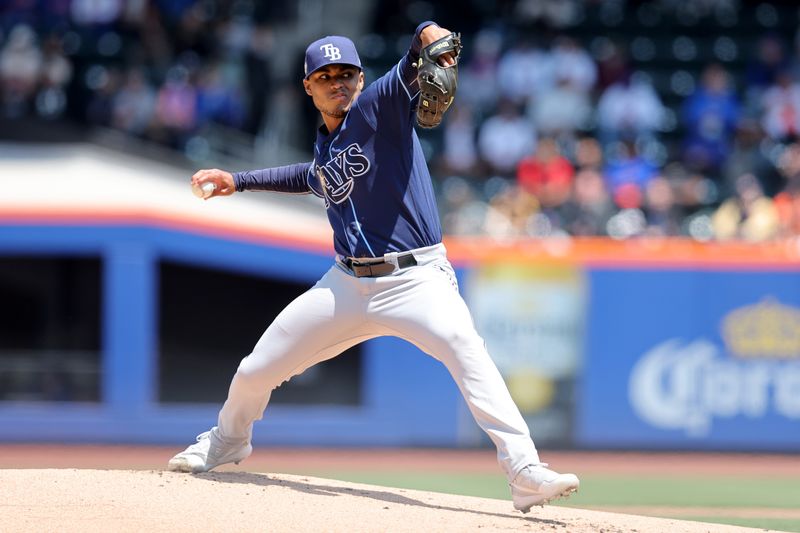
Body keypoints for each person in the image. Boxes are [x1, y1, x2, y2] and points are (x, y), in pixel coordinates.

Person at [167, 21, 580, 513]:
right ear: (308, 86)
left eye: (347, 73)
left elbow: (420, 45)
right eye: (326, 76)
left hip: (416, 279)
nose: (338, 82)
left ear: (362, 80)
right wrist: (239, 180)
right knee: (257, 368)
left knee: (465, 349)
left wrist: (430, 34)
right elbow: (308, 175)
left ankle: (524, 471)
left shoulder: (379, 106)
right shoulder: (327, 141)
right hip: (345, 284)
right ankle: (229, 440)